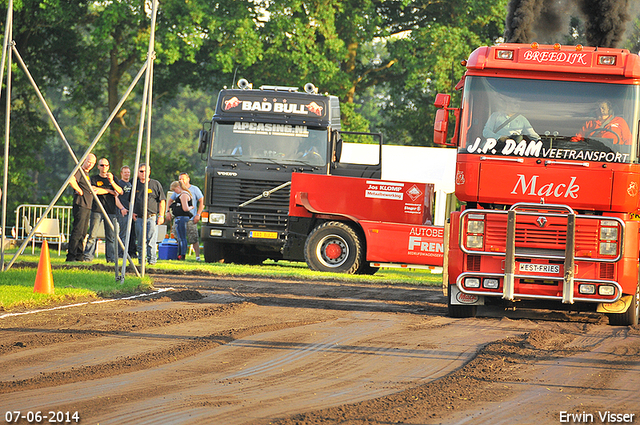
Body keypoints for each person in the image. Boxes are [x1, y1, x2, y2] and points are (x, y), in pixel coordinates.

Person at [83, 158, 123, 262]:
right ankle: (88, 257)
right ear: (98, 167)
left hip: (111, 211)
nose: (104, 167)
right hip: (97, 210)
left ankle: (111, 259)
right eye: (102, 165)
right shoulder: (94, 178)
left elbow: (119, 191)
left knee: (111, 237)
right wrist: (109, 191)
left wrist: (112, 182)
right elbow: (93, 190)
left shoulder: (113, 178)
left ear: (109, 166)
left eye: (106, 165)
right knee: (92, 235)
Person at [66, 154, 97, 262]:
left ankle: (79, 255)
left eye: (93, 163)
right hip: (80, 204)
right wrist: (79, 190)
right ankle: (71, 256)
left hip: (87, 205)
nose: (90, 164)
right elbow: (71, 180)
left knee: (83, 232)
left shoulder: (87, 174)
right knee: (77, 230)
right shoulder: (79, 170)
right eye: (89, 162)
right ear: (84, 160)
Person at [133, 164, 166, 265]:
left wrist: (161, 215)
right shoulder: (134, 184)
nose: (143, 173)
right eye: (141, 171)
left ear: (149, 172)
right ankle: (141, 261)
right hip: (139, 218)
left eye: (145, 171)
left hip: (151, 217)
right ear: (138, 172)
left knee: (151, 240)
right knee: (140, 241)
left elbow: (162, 201)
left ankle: (152, 261)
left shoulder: (155, 184)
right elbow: (129, 199)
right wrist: (132, 212)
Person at [167, 172, 204, 261]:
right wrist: (168, 211)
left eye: (183, 178)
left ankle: (197, 256)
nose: (181, 180)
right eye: (180, 179)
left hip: (190, 217)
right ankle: (178, 254)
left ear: (188, 179)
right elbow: (170, 200)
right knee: (177, 236)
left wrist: (198, 214)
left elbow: (202, 201)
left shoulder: (193, 189)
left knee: (193, 237)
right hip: (179, 216)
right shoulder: (177, 192)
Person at [166, 180, 193, 261]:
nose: (175, 192)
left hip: (182, 217)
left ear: (178, 187)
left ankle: (182, 254)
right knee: (180, 237)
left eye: (175, 190)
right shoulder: (182, 195)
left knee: (182, 237)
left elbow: (185, 208)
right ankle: (181, 254)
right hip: (180, 217)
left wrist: (191, 208)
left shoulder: (183, 195)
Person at [114, 165, 137, 260]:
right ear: (121, 173)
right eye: (125, 172)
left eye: (128, 172)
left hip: (130, 211)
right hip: (122, 211)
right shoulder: (119, 183)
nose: (127, 174)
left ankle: (129, 252)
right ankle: (120, 253)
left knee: (130, 233)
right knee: (123, 233)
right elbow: (115, 197)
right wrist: (122, 208)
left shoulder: (131, 184)